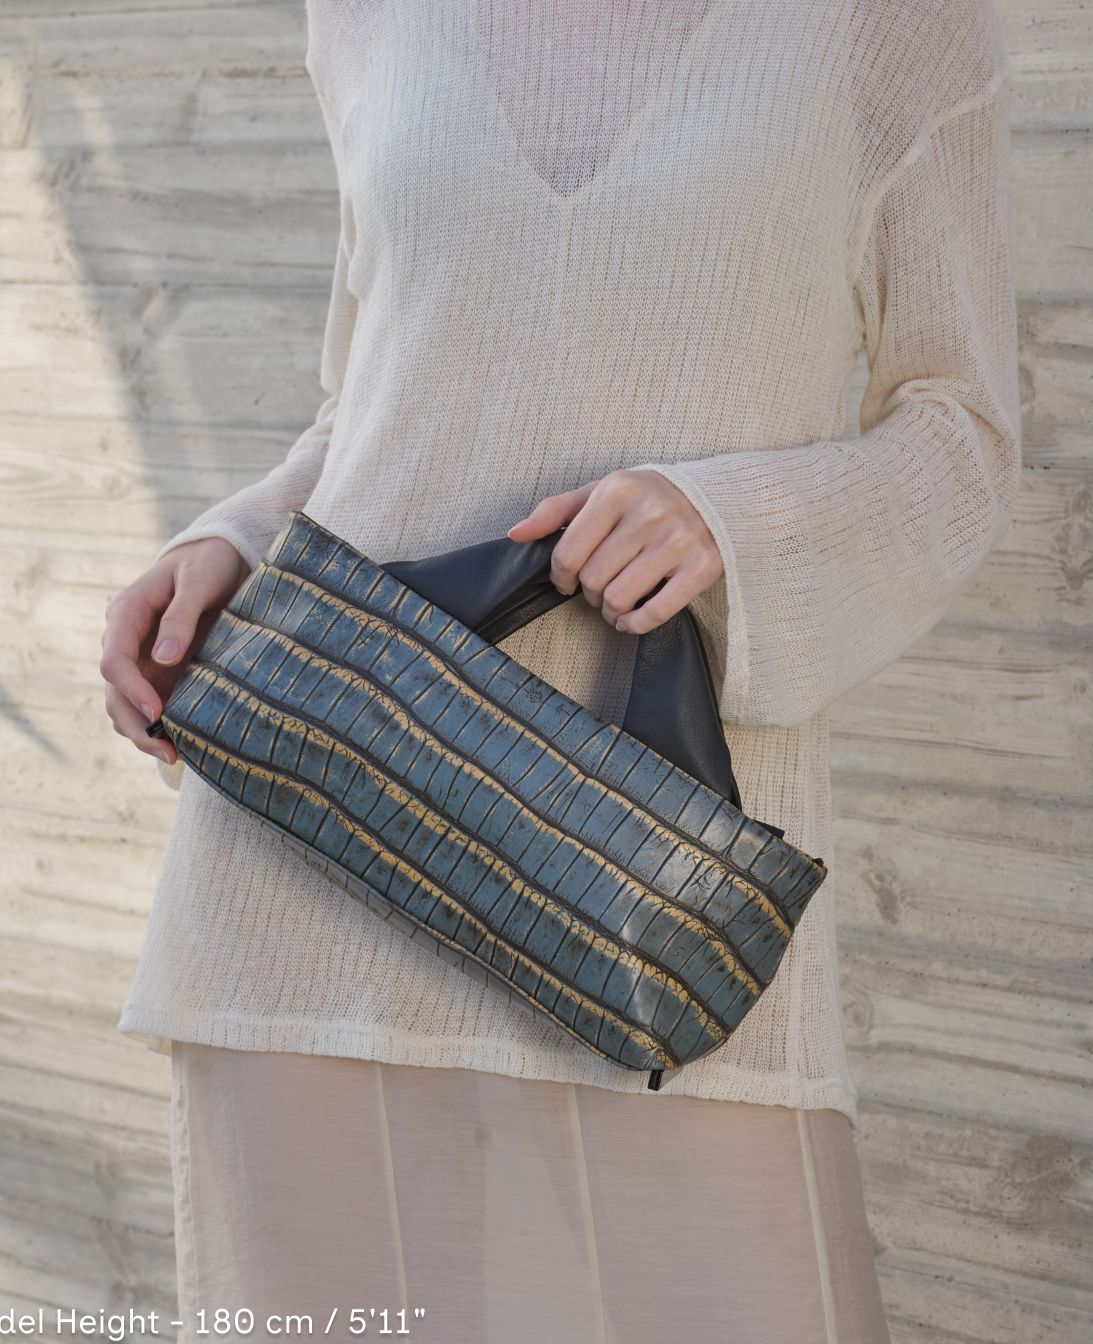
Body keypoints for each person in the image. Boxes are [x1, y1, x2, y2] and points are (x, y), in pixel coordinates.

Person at [100, 1, 1018, 1340]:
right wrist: (228, 542)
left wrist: (732, 517)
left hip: (643, 878)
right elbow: (369, 404)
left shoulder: (890, 21)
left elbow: (963, 430)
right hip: (313, 854)